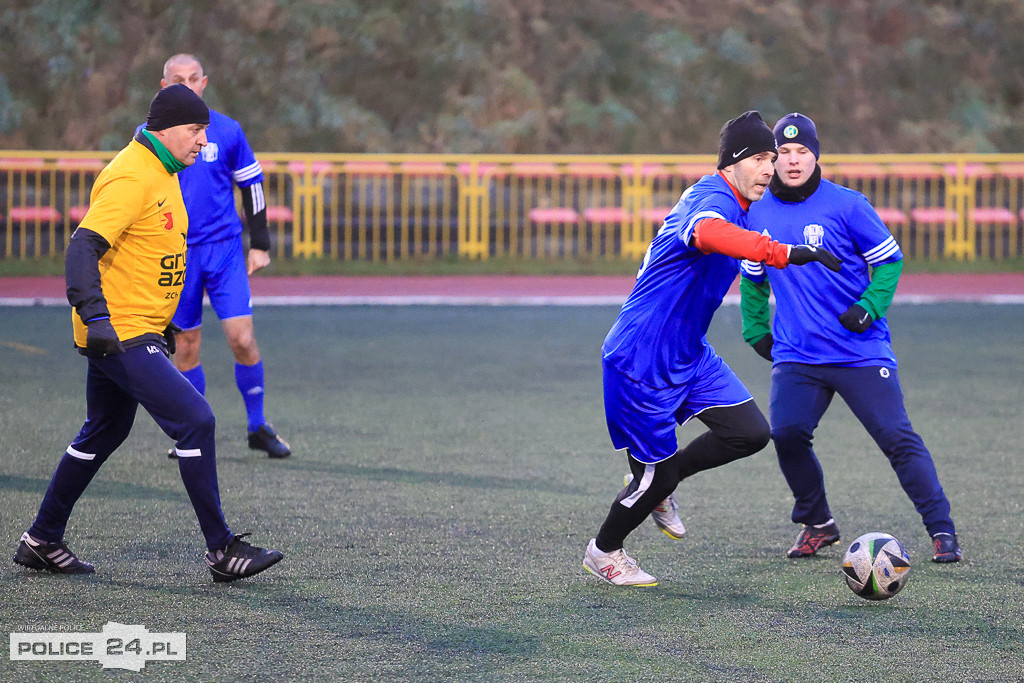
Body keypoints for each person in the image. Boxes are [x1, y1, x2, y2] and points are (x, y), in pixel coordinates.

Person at [13, 84, 283, 582]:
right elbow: (82, 248)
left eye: (205, 130)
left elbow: (147, 255)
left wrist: (166, 321)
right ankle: (222, 550)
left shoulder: (165, 169)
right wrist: (96, 317)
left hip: (138, 327)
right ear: (166, 129)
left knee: (106, 428)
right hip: (119, 332)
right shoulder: (131, 175)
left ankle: (42, 539)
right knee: (196, 420)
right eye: (195, 130)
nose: (203, 140)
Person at [583, 111, 843, 587]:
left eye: (772, 159)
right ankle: (605, 551)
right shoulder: (711, 199)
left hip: (689, 353)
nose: (770, 168)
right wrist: (781, 252)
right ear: (733, 162)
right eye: (760, 159)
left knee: (750, 433)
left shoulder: (739, 202)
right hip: (641, 359)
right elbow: (707, 232)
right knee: (655, 479)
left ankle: (660, 484)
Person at [741, 112, 961, 563]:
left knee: (897, 438)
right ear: (772, 159)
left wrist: (869, 306)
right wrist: (756, 328)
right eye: (784, 152)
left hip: (859, 351)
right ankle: (818, 522)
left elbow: (890, 261)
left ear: (816, 156)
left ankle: (942, 529)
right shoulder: (756, 210)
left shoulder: (848, 205)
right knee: (786, 434)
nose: (794, 160)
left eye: (803, 151)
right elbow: (753, 278)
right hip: (798, 353)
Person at [151, 53, 290, 459]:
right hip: (177, 253)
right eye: (178, 79)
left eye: (193, 78)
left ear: (204, 83)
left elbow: (252, 185)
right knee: (186, 346)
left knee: (242, 340)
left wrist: (260, 243)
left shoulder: (227, 130)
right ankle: (193, 431)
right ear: (164, 86)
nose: (187, 85)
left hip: (225, 250)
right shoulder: (149, 134)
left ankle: (257, 425)